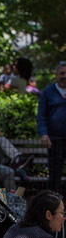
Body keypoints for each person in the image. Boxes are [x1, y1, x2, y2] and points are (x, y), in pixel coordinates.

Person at [38, 61, 66, 194]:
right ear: (56, 75)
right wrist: (44, 134)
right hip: (54, 140)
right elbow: (41, 116)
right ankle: (54, 204)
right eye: (62, 73)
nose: (64, 76)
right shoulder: (48, 92)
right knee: (54, 175)